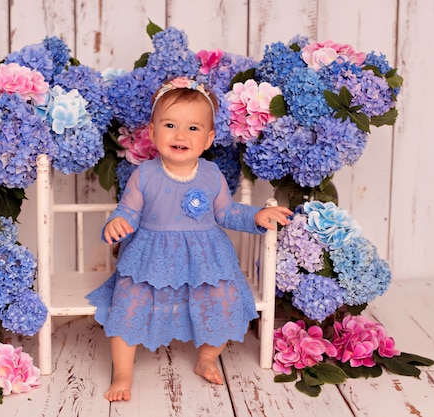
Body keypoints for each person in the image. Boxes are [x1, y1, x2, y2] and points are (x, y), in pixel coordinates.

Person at [86, 77, 292, 402]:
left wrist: (255, 217)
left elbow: (227, 213)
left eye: (193, 128)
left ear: (209, 138)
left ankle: (207, 356)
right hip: (151, 259)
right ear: (153, 132)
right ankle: (123, 373)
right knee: (128, 306)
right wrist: (119, 222)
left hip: (204, 261)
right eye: (170, 125)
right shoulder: (144, 175)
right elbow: (128, 210)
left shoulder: (211, 174)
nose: (181, 135)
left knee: (225, 302)